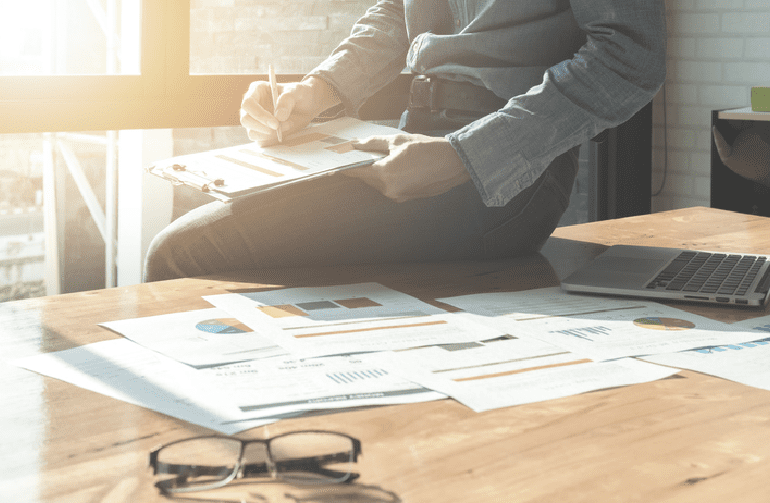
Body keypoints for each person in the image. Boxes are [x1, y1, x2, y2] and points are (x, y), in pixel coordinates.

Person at [143, 0, 666, 282]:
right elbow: (397, 12)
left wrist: (468, 156)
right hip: (410, 133)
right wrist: (318, 89)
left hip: (503, 175)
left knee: (183, 253)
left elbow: (631, 55)